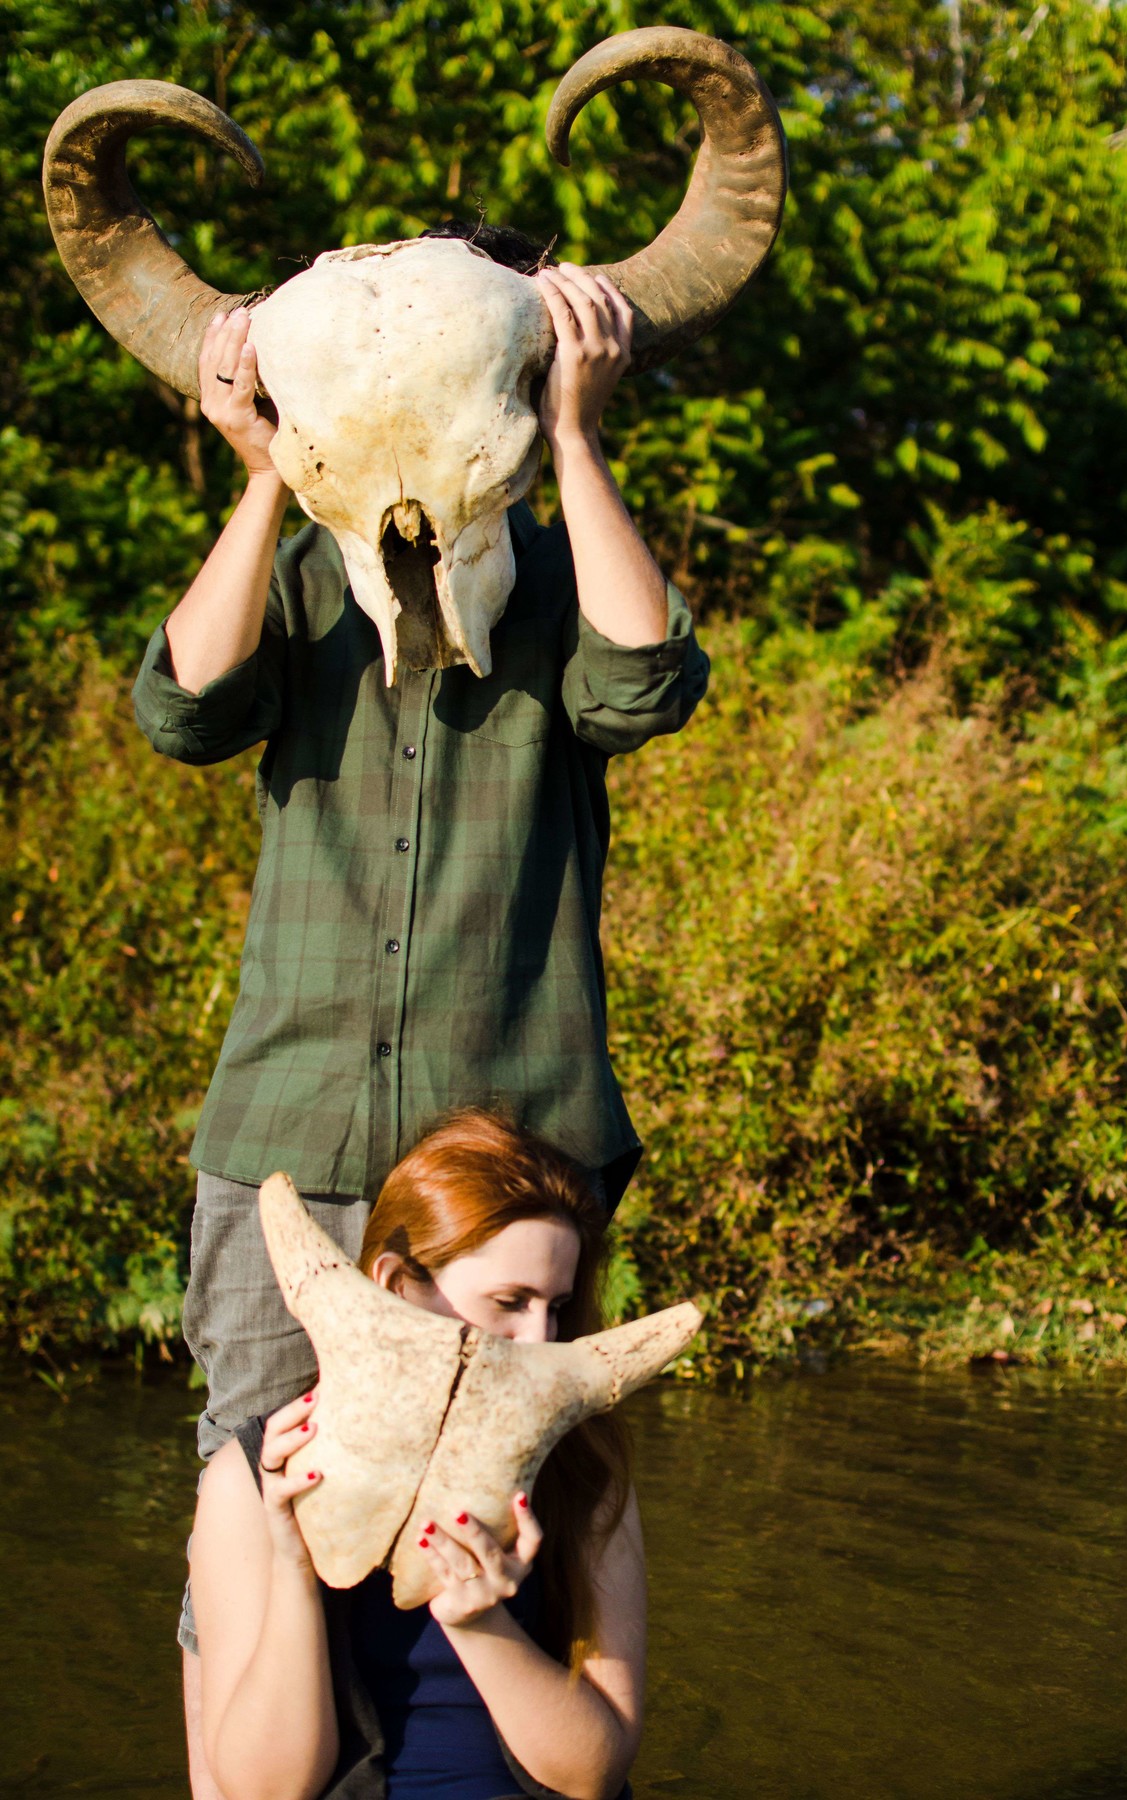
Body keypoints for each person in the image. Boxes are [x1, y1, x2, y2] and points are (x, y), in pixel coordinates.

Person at [130, 220, 704, 1787]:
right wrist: (266, 462)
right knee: (259, 1501)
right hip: (291, 1148)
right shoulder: (309, 581)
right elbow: (182, 706)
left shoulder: (558, 582)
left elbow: (647, 679)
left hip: (504, 1180)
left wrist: (576, 433)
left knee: (500, 1534)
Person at [190, 1108, 644, 1800]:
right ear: (398, 1285)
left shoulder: (584, 1478)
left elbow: (594, 1774)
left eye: (556, 1306)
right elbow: (265, 1790)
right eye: (509, 1301)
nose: (540, 1339)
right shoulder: (254, 1477)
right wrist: (294, 1566)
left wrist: (481, 1621)